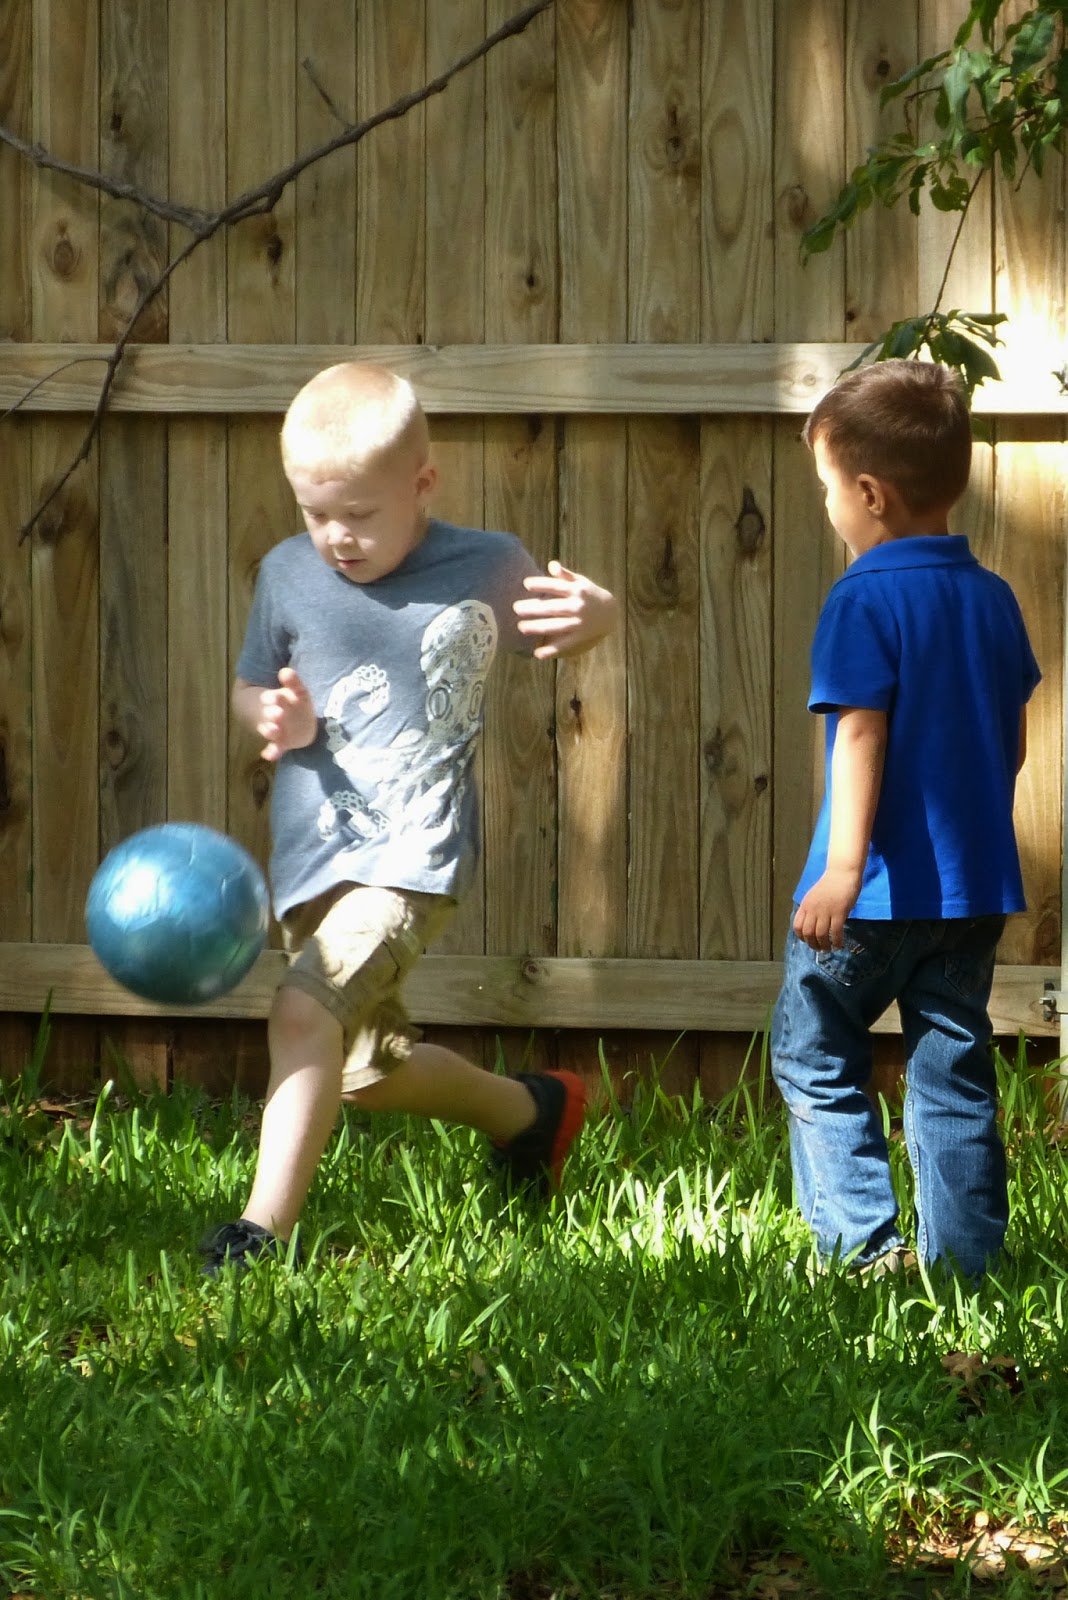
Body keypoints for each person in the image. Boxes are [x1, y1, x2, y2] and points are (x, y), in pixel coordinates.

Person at [200, 362, 617, 1273]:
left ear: (422, 485)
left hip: (410, 860)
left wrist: (597, 614)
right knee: (364, 1074)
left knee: (301, 1011)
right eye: (317, 513)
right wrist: (270, 716)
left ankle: (259, 1235)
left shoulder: (484, 563)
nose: (337, 537)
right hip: (313, 859)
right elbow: (249, 684)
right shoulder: (287, 573)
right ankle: (532, 1112)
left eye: (359, 514)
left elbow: (563, 628)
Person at [770, 359, 1041, 1282]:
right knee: (952, 1070)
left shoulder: (863, 597)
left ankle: (861, 1250)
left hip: (873, 894)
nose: (828, 506)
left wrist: (841, 870)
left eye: (826, 488)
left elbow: (860, 734)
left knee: (814, 1055)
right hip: (971, 893)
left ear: (871, 494)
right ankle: (967, 1266)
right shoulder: (992, 597)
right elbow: (1008, 741)